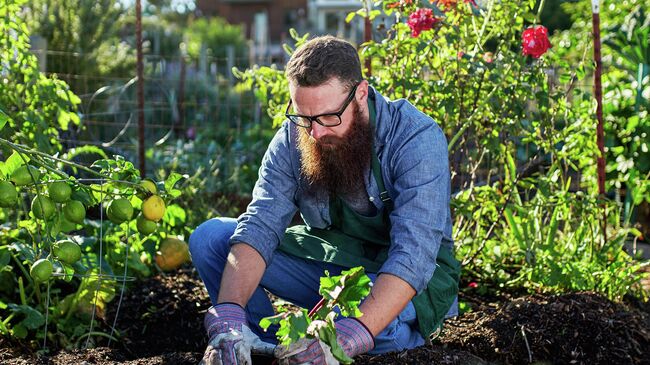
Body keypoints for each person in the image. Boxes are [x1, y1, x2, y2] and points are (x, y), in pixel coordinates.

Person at [189, 35, 460, 365]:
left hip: (402, 278)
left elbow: (414, 254)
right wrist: (229, 314)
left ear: (360, 93)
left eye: (328, 117)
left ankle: (376, 336)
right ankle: (261, 347)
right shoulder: (295, 137)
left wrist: (355, 331)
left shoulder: (414, 138)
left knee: (374, 329)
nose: (315, 133)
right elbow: (261, 223)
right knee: (211, 239)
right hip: (333, 267)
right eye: (304, 117)